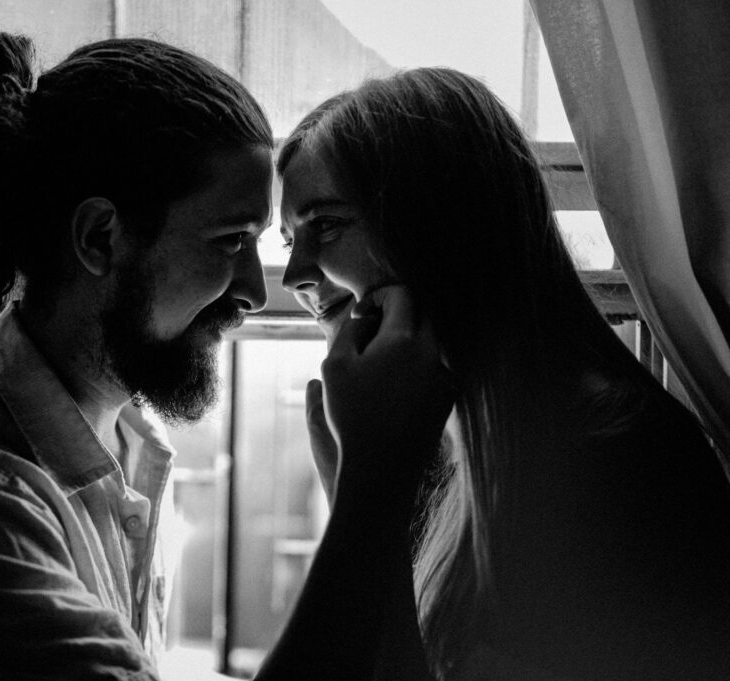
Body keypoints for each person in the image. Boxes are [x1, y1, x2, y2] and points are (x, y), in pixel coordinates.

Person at [0, 31, 438, 681]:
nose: (252, 290)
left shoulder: (127, 442)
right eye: (229, 241)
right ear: (100, 237)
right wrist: (372, 483)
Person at [278, 68, 730, 680]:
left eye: (326, 225)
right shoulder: (447, 452)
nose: (295, 275)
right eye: (288, 241)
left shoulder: (609, 457)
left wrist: (367, 487)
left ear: (438, 226)